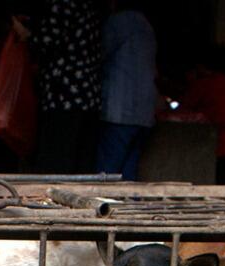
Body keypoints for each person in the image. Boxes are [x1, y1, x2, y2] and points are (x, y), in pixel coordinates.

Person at [13, 0, 103, 174]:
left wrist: (26, 34)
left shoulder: (63, 5)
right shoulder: (88, 7)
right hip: (88, 96)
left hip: (64, 95)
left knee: (57, 159)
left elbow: (46, 42)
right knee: (80, 161)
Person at [95, 1, 156, 180]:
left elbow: (99, 52)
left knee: (108, 172)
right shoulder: (146, 24)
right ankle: (128, 206)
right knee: (129, 171)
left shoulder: (119, 22)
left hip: (120, 109)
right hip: (143, 111)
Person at [180, 54, 225, 184]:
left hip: (208, 143)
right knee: (224, 183)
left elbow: (183, 110)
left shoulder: (202, 85)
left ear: (201, 67)